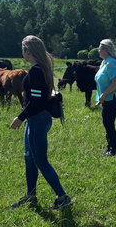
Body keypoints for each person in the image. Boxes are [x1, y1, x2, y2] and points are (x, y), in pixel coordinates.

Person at [9, 35, 72, 210]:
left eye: (23, 50)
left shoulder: (37, 71)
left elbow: (36, 102)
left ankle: (63, 197)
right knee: (29, 159)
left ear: (28, 51)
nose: (22, 53)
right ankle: (31, 195)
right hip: (34, 119)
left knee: (41, 161)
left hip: (37, 120)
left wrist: (20, 118)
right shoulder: (40, 68)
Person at [95, 39, 116, 156]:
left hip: (113, 98)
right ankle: (110, 147)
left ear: (106, 50)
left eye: (100, 48)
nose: (98, 50)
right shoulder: (105, 62)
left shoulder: (112, 63)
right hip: (107, 98)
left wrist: (103, 95)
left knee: (108, 123)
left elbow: (115, 83)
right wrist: (100, 97)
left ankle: (113, 150)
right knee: (107, 122)